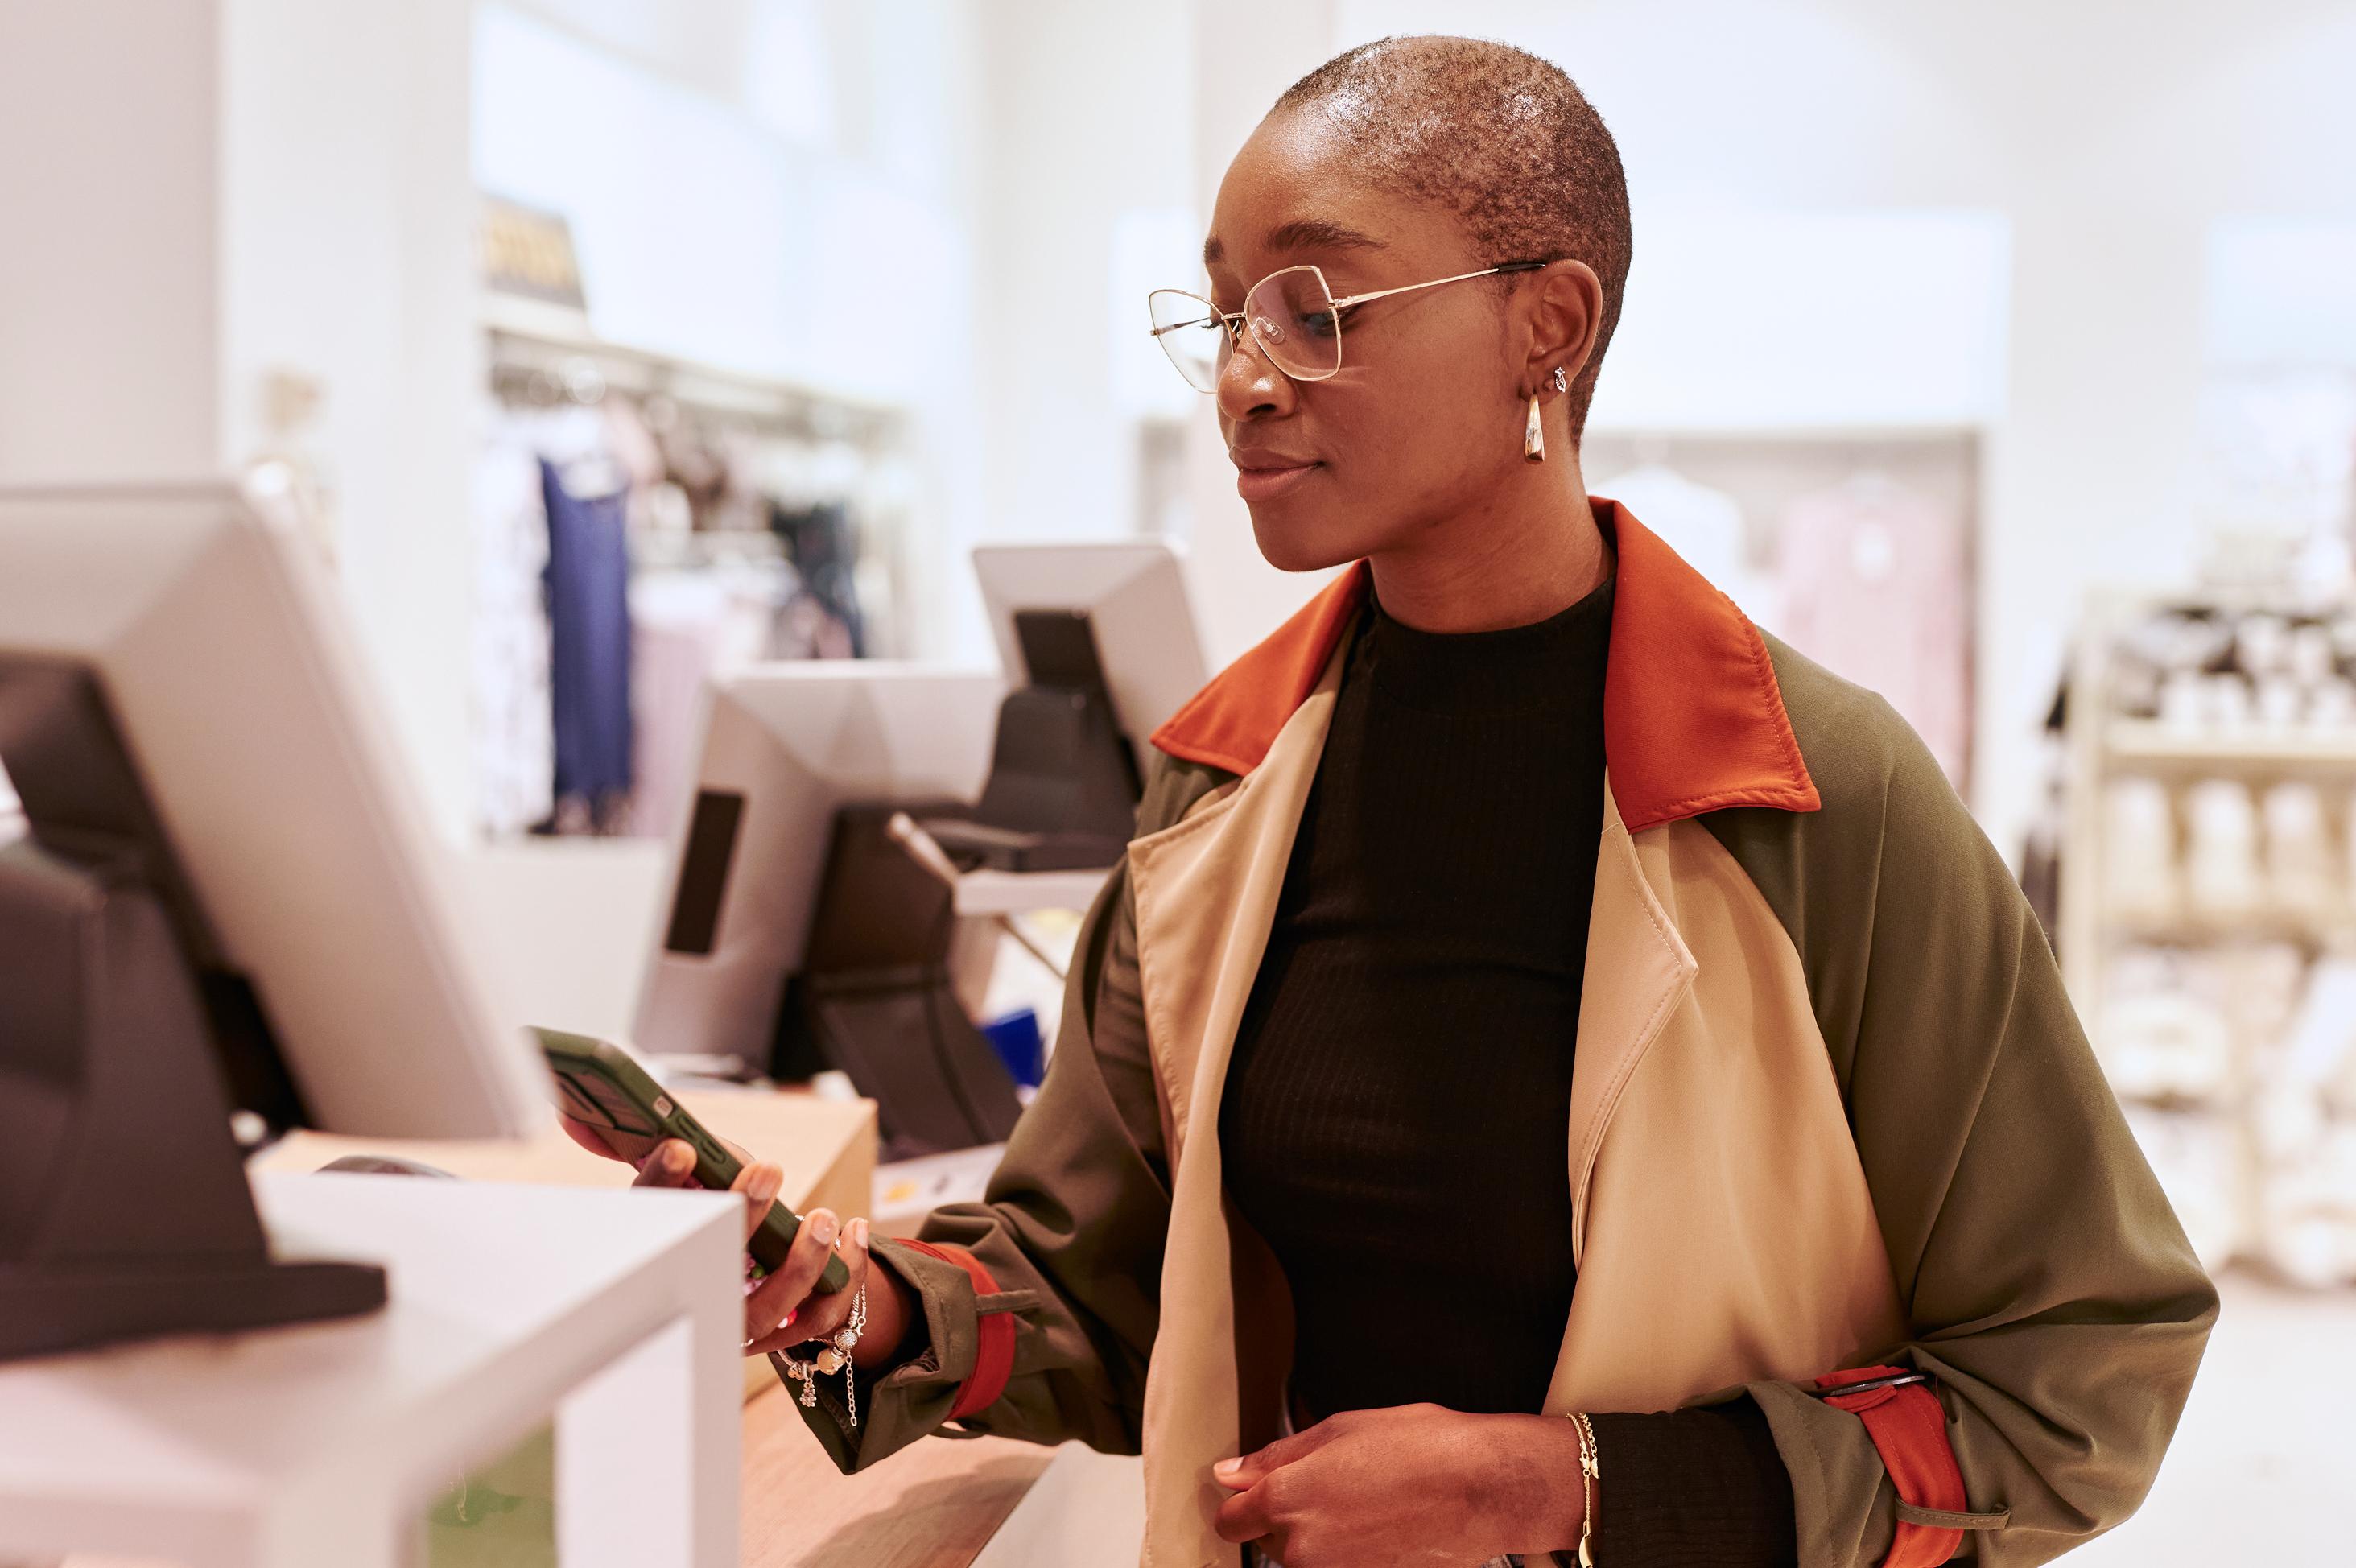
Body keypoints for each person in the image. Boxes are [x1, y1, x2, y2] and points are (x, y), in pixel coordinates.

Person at [567, 35, 2214, 1568]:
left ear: (1547, 326)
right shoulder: (1219, 785)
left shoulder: (1815, 797)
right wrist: (860, 1298)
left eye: (1314, 305)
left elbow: (2079, 1372)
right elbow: (1112, 1291)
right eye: (1222, 315)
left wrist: (1559, 1487)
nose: (1243, 378)